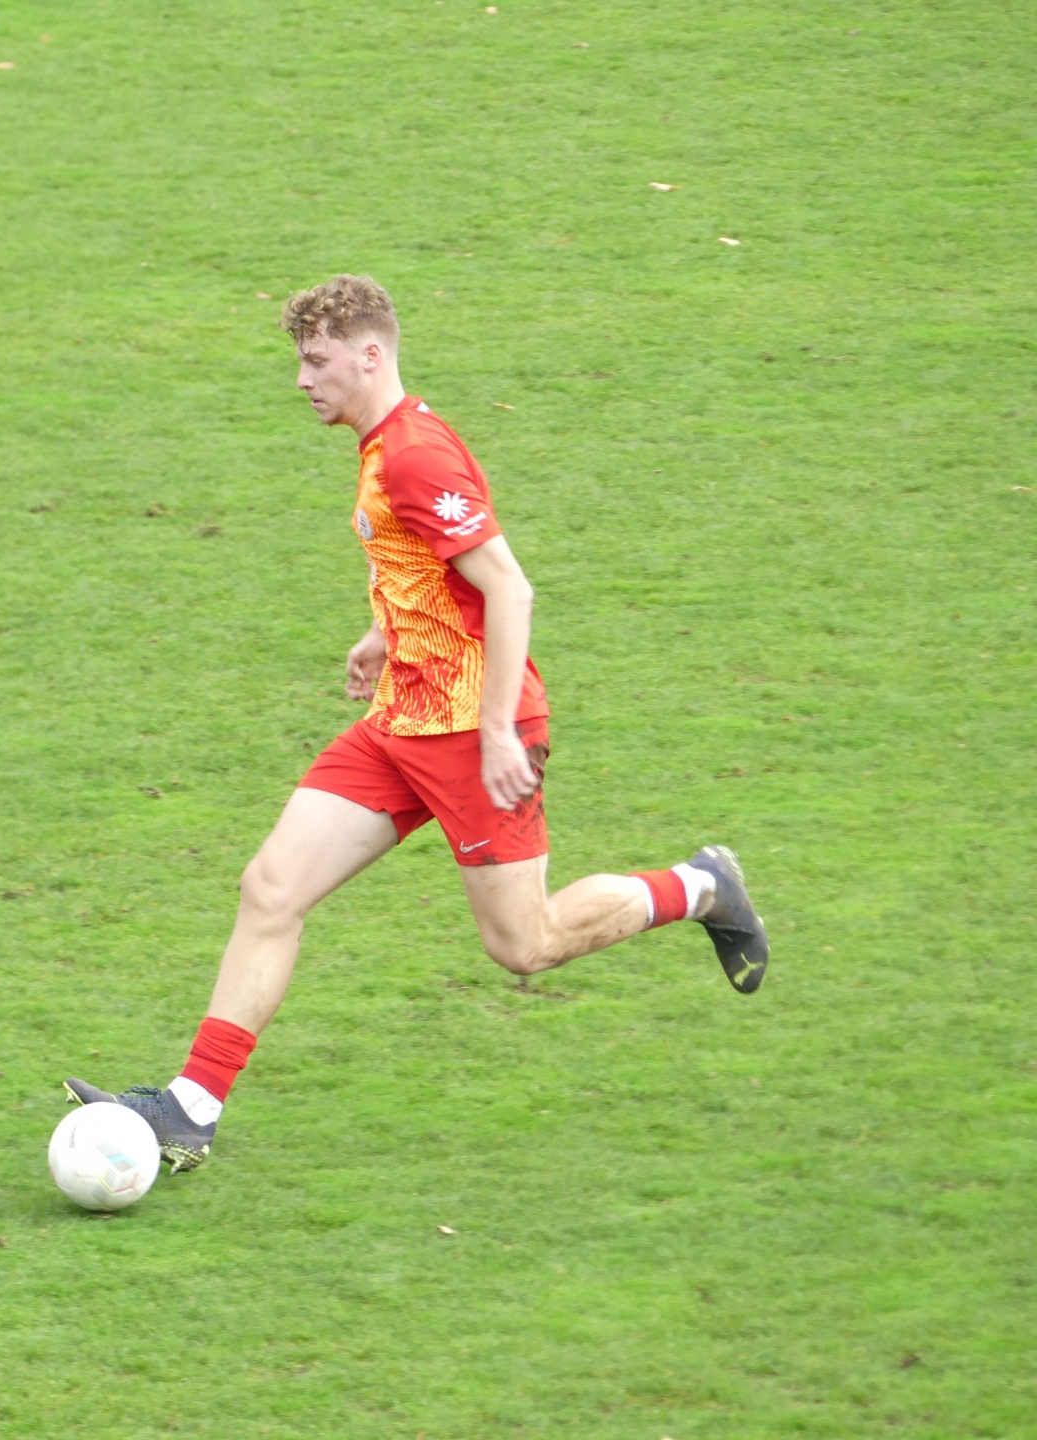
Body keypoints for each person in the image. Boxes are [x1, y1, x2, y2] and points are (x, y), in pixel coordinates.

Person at [65, 274, 769, 1174]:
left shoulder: (414, 456)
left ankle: (703, 887)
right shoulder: (379, 446)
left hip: (473, 736)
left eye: (316, 361)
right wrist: (382, 631)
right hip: (401, 720)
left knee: (524, 946)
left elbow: (510, 588)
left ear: (370, 355)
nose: (301, 380)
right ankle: (190, 1108)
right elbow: (420, 560)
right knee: (271, 889)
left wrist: (500, 730)